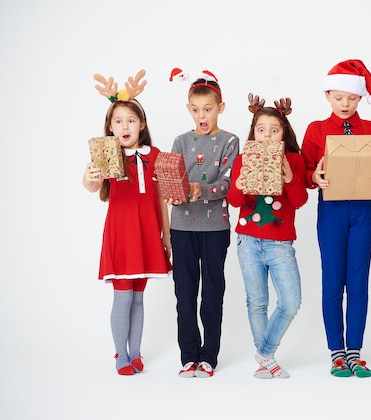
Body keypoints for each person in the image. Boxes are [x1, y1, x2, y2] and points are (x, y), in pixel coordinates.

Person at [301, 59, 371, 378]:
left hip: (364, 210)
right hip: (332, 210)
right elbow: (305, 173)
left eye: (352, 98)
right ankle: (336, 351)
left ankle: (355, 350)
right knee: (333, 280)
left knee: (359, 281)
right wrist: (316, 177)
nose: (345, 104)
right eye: (339, 97)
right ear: (327, 95)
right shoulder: (316, 129)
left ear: (361, 98)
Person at [83, 70, 172, 375]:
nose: (125, 126)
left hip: (148, 235)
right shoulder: (107, 156)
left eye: (131, 120)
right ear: (110, 126)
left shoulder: (155, 155)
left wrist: (167, 238)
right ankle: (121, 353)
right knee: (122, 297)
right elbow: (93, 185)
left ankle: (135, 352)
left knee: (138, 297)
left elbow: (162, 199)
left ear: (142, 125)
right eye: (118, 121)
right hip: (122, 236)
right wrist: (89, 177)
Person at [227, 94, 308, 379]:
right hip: (248, 240)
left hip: (280, 242)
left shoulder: (295, 161)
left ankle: (264, 351)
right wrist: (238, 182)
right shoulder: (242, 159)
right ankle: (269, 360)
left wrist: (289, 177)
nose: (267, 135)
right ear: (253, 132)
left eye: (274, 129)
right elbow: (235, 201)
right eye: (261, 129)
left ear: (284, 133)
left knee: (291, 302)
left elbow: (299, 202)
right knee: (257, 302)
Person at [167, 68, 240, 378]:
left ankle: (209, 355)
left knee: (212, 291)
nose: (202, 115)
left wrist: (201, 189)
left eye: (207, 109)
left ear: (220, 107)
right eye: (196, 110)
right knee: (184, 293)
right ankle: (188, 355)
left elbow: (228, 183)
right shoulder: (180, 141)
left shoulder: (229, 140)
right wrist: (172, 192)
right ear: (189, 109)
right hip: (182, 227)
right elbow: (171, 179)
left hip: (215, 228)